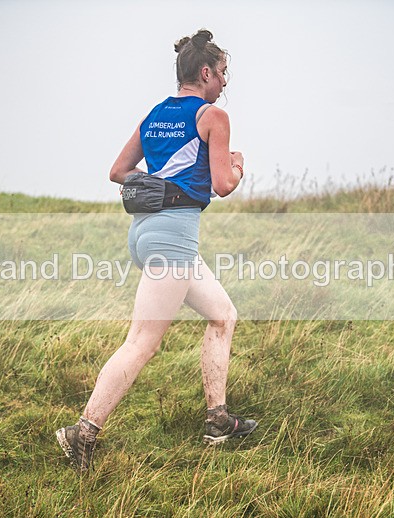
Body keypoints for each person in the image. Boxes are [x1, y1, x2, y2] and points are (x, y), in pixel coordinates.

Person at [56, 29, 256, 472]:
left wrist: (160, 187)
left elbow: (118, 172)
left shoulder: (154, 115)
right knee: (142, 342)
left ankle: (217, 420)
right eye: (223, 73)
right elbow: (224, 185)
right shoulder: (212, 117)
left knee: (223, 315)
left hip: (146, 233)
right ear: (205, 73)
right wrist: (238, 162)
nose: (225, 83)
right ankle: (82, 433)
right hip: (174, 240)